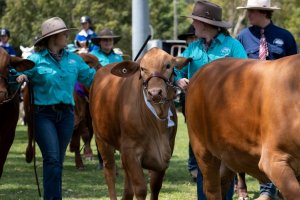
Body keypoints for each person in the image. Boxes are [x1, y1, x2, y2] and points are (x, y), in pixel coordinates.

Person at [16, 17, 96, 200]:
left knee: (57, 162)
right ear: (52, 37)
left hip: (67, 116)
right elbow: (18, 73)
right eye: (63, 33)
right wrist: (20, 77)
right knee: (52, 159)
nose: (67, 35)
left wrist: (112, 74)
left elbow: (93, 78)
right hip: (43, 115)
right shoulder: (35, 60)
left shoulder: (74, 60)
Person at [175, 1, 248, 199]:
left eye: (195, 21)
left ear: (205, 23)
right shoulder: (192, 49)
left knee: (227, 161)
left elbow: (246, 73)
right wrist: (178, 79)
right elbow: (174, 69)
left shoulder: (232, 46)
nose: (193, 26)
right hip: (198, 117)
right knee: (203, 160)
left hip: (227, 117)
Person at [236, 0, 298, 199]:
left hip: (279, 102)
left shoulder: (284, 36)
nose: (248, 15)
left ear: (263, 12)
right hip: (250, 97)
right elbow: (236, 69)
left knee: (276, 144)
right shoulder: (243, 37)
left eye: (251, 11)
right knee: (244, 139)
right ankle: (242, 184)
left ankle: (272, 187)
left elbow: (294, 70)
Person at [177, 24, 198, 182]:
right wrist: (179, 79)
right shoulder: (187, 53)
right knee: (194, 132)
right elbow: (176, 71)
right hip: (191, 97)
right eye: (189, 38)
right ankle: (193, 166)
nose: (191, 40)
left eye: (194, 38)